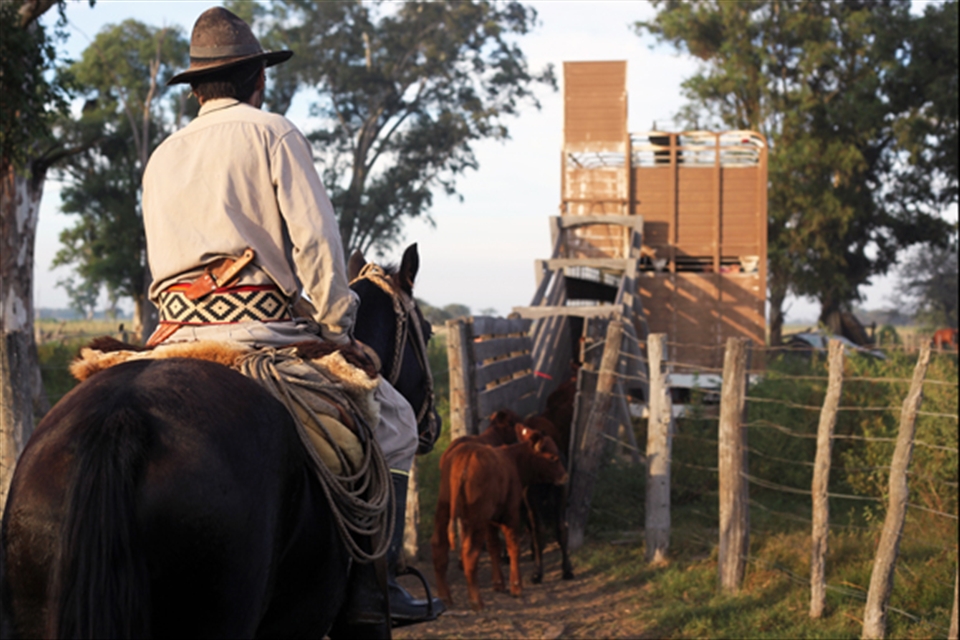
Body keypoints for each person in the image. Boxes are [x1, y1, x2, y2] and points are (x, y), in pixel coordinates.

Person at [141, 7, 442, 633]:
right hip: (261, 333)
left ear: (195, 90)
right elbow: (317, 244)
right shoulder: (274, 133)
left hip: (170, 337)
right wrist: (337, 329)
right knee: (394, 423)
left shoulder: (163, 155)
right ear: (258, 78)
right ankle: (372, 592)